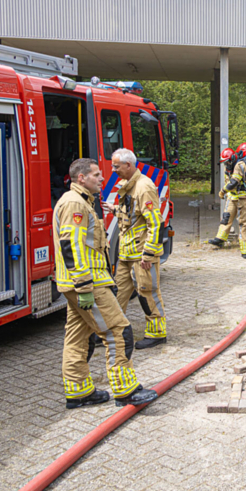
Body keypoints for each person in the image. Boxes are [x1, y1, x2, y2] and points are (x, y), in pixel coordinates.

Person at [54, 158, 157, 408]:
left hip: (78, 285)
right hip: (87, 285)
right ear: (81, 178)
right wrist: (85, 285)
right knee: (119, 331)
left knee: (77, 338)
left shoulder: (82, 202)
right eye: (97, 175)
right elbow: (72, 247)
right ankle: (125, 390)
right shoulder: (75, 204)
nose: (102, 179)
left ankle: (78, 391)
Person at [109, 148, 166, 350]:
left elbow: (155, 223)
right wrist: (115, 210)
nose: (112, 169)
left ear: (128, 165)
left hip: (141, 254)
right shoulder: (127, 185)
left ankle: (157, 333)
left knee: (147, 292)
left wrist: (149, 254)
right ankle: (112, 330)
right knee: (119, 292)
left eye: (116, 166)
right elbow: (133, 215)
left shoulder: (144, 187)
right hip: (126, 253)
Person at [208, 147, 239, 248]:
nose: (226, 164)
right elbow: (228, 182)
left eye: (227, 161)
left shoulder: (240, 167)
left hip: (243, 198)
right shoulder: (228, 169)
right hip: (232, 198)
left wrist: (223, 191)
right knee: (226, 218)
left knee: (244, 221)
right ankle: (220, 239)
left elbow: (233, 183)